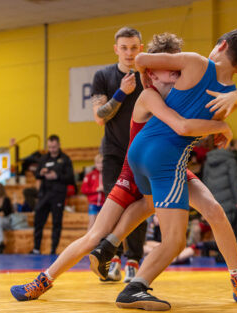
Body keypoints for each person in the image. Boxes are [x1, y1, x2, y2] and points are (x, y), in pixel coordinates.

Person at [10, 32, 237, 307]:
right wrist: (228, 116)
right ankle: (123, 275)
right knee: (165, 237)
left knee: (207, 210)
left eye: (175, 72)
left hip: (161, 165)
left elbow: (190, 118)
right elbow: (183, 125)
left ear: (222, 46)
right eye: (169, 70)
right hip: (145, 166)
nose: (173, 77)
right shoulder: (150, 94)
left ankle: (111, 247)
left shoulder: (204, 84)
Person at [117, 28, 237, 309]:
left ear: (222, 45)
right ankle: (134, 287)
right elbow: (196, 125)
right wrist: (232, 108)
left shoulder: (193, 62)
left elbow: (140, 59)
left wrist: (150, 90)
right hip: (165, 158)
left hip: (142, 148)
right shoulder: (227, 101)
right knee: (175, 241)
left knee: (213, 210)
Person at [91, 26, 147, 281]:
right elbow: (100, 117)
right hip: (114, 153)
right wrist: (121, 93)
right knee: (114, 208)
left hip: (142, 151)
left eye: (134, 47)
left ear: (141, 49)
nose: (129, 52)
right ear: (116, 49)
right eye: (124, 47)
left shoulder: (149, 76)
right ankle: (113, 259)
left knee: (140, 206)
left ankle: (133, 261)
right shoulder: (103, 76)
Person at [30, 135, 75, 255]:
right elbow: (37, 175)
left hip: (58, 195)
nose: (52, 149)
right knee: (38, 220)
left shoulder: (65, 159)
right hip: (44, 194)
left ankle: (53, 249)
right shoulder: (44, 159)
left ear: (59, 145)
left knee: (56, 223)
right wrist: (42, 172)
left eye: (54, 147)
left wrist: (57, 176)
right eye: (50, 147)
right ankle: (36, 248)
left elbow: (71, 178)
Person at [202, 145, 237, 237]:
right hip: (228, 199)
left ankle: (218, 249)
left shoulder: (208, 161)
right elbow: (234, 181)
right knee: (227, 232)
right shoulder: (231, 160)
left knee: (216, 230)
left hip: (212, 200)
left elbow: (204, 182)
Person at [81, 154, 105, 230]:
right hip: (93, 203)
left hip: (104, 203)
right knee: (92, 224)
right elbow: (83, 189)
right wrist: (96, 190)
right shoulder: (90, 175)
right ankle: (89, 241)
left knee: (101, 225)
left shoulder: (107, 175)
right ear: (95, 164)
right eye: (98, 163)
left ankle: (99, 242)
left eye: (102, 163)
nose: (100, 165)